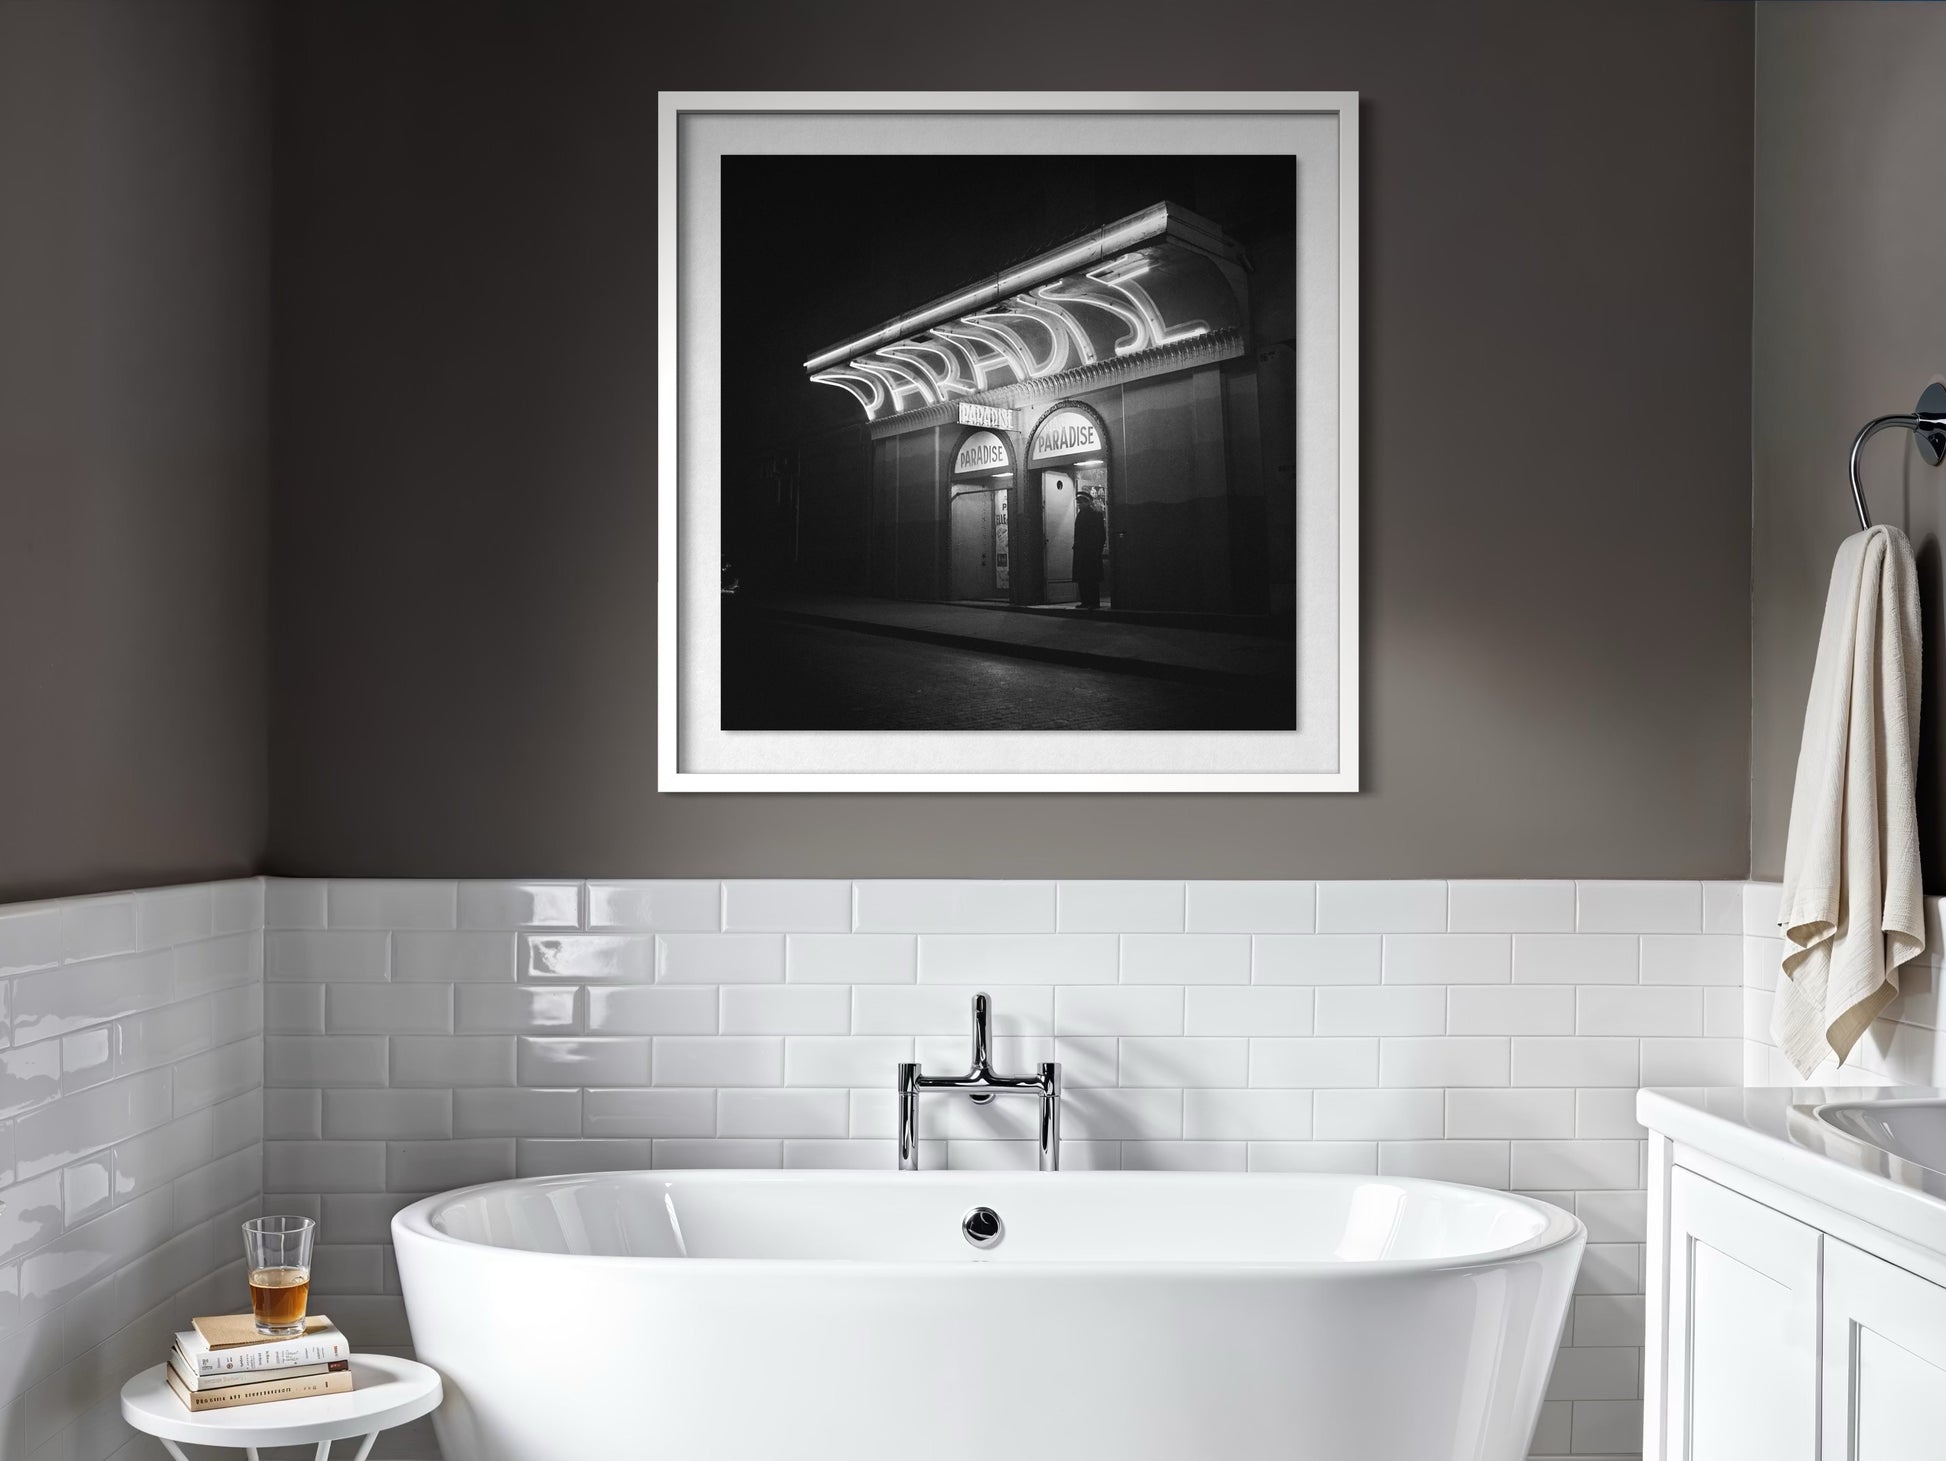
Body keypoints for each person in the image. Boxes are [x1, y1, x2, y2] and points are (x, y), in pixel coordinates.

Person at [1072, 489, 1106, 609]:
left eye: (1082, 502)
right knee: (1082, 578)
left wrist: (1096, 550)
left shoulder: (1096, 516)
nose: (1080, 505)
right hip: (1081, 552)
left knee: (1091, 579)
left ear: (1088, 502)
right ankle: (1085, 601)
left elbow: (1101, 535)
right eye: (1079, 502)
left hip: (1091, 553)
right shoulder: (1080, 516)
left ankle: (1093, 602)